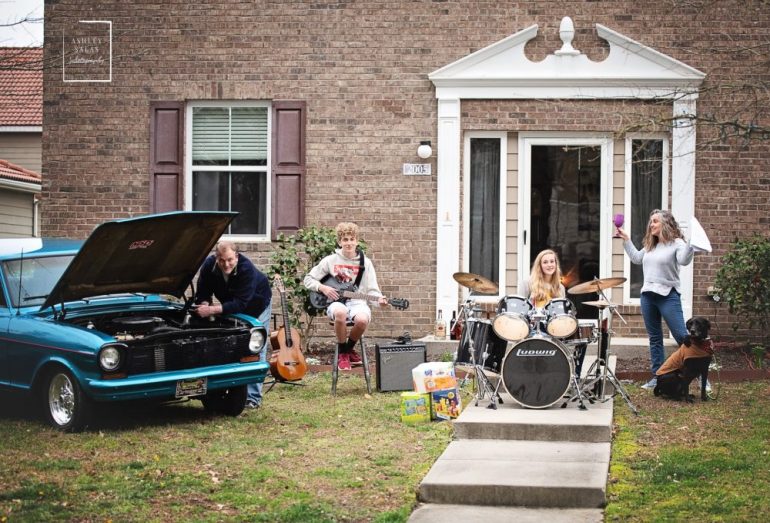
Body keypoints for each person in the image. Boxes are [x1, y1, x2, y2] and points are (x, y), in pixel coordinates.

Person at [616, 209, 694, 390]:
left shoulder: (677, 243)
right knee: (655, 339)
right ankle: (657, 377)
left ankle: (700, 375)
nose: (651, 224)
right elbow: (636, 258)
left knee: (682, 337)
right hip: (648, 296)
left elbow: (684, 261)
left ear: (665, 223)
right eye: (651, 221)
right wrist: (626, 239)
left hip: (668, 296)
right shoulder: (651, 245)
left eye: (655, 221)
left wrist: (691, 244)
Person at [194, 241, 272, 408]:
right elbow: (202, 291)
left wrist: (211, 310)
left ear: (236, 257)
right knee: (230, 344)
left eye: (230, 260)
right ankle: (228, 388)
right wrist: (204, 303)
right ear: (216, 258)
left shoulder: (246, 269)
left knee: (255, 345)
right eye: (222, 260)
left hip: (257, 304)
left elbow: (241, 303)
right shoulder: (209, 266)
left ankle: (253, 398)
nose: (226, 264)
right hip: (230, 305)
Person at [304, 222, 388, 371]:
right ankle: (344, 354)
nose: (349, 243)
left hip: (358, 301)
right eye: (345, 239)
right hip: (335, 301)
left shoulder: (366, 263)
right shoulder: (330, 260)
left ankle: (347, 349)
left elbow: (372, 290)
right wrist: (323, 288)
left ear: (357, 241)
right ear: (339, 242)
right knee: (340, 313)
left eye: (352, 239)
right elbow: (308, 279)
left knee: (362, 320)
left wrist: (379, 301)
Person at [518, 249, 587, 378]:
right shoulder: (527, 283)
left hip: (556, 326)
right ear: (539, 265)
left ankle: (575, 377)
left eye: (552, 261)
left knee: (582, 339)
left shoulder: (560, 287)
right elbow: (520, 311)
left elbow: (562, 311)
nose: (549, 265)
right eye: (545, 262)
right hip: (535, 327)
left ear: (556, 264)